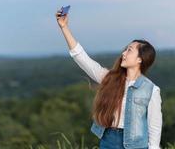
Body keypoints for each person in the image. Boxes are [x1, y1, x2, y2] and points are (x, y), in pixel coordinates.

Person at [55, 9, 162, 149]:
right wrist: (64, 27)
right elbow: (81, 58)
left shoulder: (151, 90)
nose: (123, 53)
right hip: (109, 141)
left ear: (140, 59)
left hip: (137, 145)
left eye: (129, 50)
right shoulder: (109, 78)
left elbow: (154, 126)